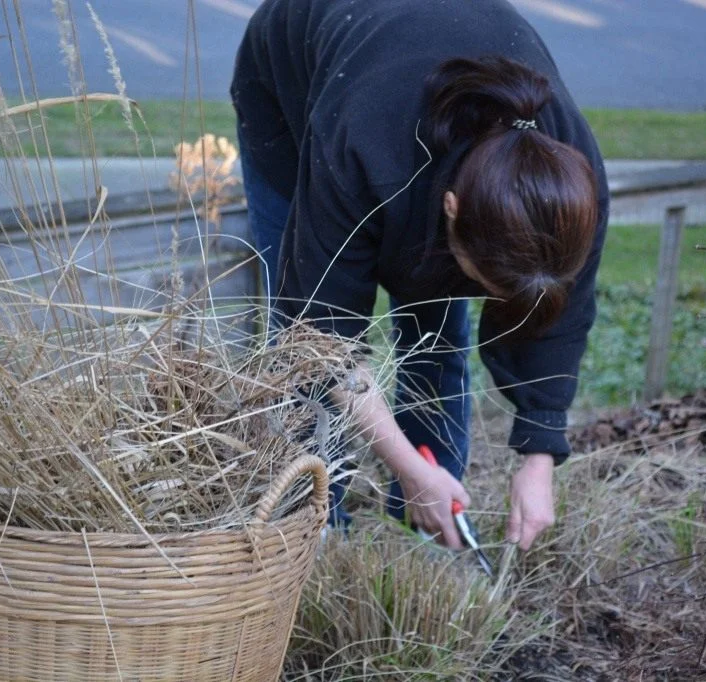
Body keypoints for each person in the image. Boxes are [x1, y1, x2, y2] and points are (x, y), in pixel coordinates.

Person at [231, 0, 609, 551]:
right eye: (483, 281)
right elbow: (317, 336)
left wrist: (540, 454)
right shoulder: (364, 144)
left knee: (434, 332)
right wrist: (408, 465)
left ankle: (431, 524)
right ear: (453, 208)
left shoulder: (572, 192)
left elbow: (561, 318)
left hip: (411, 101)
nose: (487, 298)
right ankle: (313, 528)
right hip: (292, 82)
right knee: (299, 341)